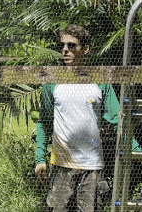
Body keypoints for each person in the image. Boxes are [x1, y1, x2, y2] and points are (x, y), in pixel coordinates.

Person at [34, 24, 121, 212]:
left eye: (72, 46)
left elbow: (117, 122)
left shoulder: (100, 81)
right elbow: (44, 122)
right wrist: (39, 158)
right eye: (63, 46)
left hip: (92, 167)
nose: (65, 50)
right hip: (61, 165)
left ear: (86, 49)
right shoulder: (52, 82)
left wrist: (136, 152)